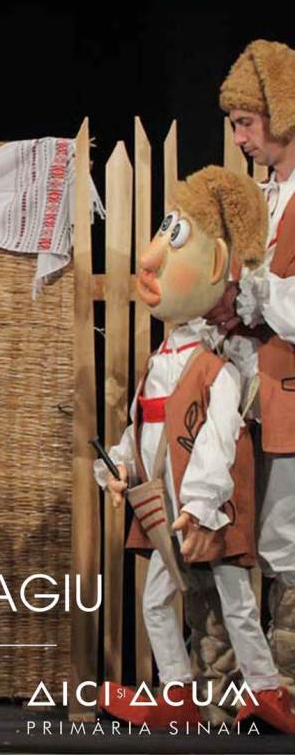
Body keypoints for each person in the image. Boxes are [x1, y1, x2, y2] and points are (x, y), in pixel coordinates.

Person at [98, 166, 295, 733]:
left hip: (206, 507)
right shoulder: (169, 357)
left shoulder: (216, 367)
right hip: (170, 504)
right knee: (162, 600)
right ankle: (184, 693)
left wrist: (204, 502)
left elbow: (216, 440)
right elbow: (143, 426)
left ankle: (267, 689)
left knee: (236, 596)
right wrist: (118, 466)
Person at [209, 40, 295, 693]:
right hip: (254, 388)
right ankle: (251, 683)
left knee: (287, 538)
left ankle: (286, 678)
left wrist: (261, 292)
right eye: (235, 124)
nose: (239, 138)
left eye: (246, 122)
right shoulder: (263, 197)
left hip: (289, 387)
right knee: (247, 532)